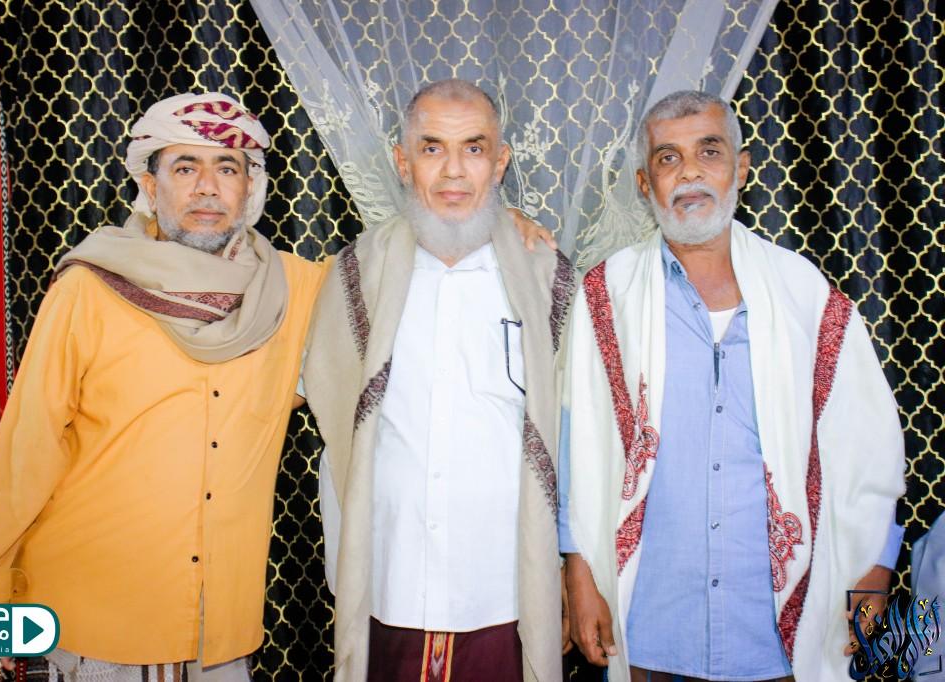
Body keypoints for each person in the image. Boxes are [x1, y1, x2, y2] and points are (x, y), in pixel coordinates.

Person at [0, 93, 329, 681]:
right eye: (185, 167)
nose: (207, 188)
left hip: (218, 631)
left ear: (251, 187)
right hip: (92, 620)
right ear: (149, 183)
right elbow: (25, 450)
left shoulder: (296, 292)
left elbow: (396, 285)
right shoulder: (89, 287)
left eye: (227, 168)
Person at [560, 90, 906, 682]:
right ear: (645, 184)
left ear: (741, 168)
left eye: (709, 151)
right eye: (668, 158)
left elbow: (867, 444)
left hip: (774, 633)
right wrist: (579, 572)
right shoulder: (607, 295)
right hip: (651, 624)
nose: (689, 172)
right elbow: (577, 444)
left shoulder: (805, 296)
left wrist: (876, 566)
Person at [303, 79, 575, 682]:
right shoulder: (356, 274)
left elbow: (581, 437)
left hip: (505, 589)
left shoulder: (548, 278)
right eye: (432, 149)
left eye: (474, 149)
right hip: (389, 582)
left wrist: (571, 568)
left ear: (500, 163)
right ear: (403, 162)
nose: (454, 170)